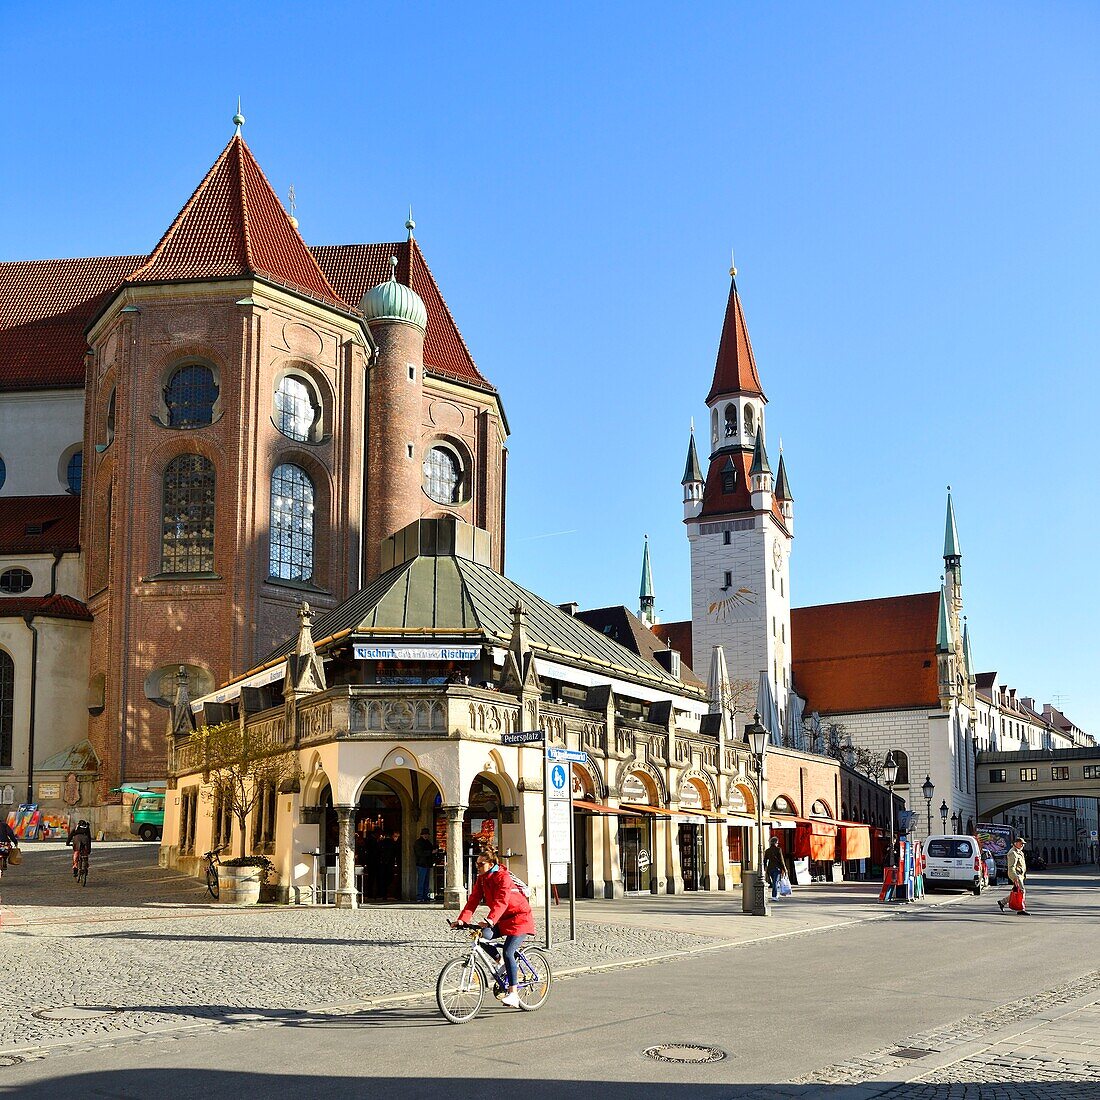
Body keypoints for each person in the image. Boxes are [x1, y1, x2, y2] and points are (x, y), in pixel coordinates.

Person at [451, 845, 535, 1008]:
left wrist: (490, 920)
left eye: (481, 864)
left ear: (491, 864)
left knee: (509, 951)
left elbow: (502, 901)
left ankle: (513, 994)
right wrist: (462, 920)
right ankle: (500, 962)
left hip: (519, 918)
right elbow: (473, 900)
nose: (478, 867)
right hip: (500, 919)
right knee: (480, 936)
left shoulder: (503, 877)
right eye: (477, 864)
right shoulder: (482, 879)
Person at [998, 836, 1029, 915]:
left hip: (1020, 875)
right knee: (1022, 891)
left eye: (1023, 844)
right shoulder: (1013, 853)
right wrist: (1015, 877)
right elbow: (1011, 867)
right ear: (1015, 843)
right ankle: (1021, 909)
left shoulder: (1019, 852)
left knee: (1016, 891)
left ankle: (1002, 902)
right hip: (1016, 875)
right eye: (1021, 843)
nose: (1022, 845)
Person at [414, 827, 437, 903]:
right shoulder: (418, 842)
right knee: (421, 881)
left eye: (427, 834)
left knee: (426, 881)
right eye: (425, 834)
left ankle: (425, 896)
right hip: (421, 864)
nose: (426, 836)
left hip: (427, 864)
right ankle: (420, 897)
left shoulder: (428, 842)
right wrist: (431, 852)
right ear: (422, 835)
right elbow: (419, 853)